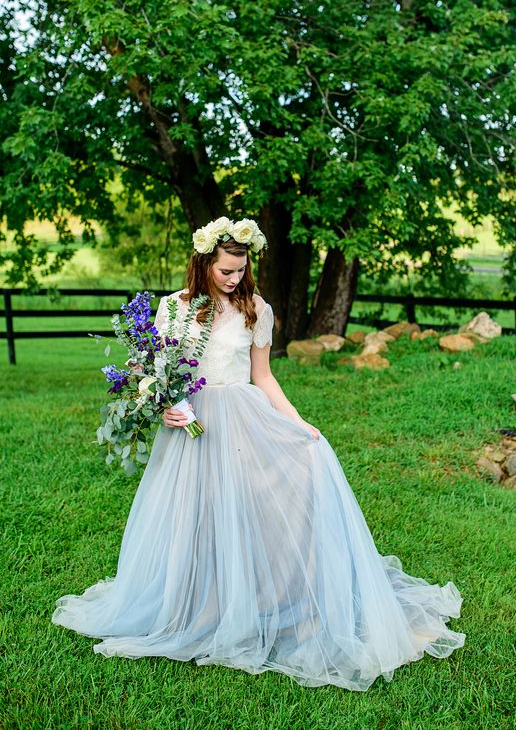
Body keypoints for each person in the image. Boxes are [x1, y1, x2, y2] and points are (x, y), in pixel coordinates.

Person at [51, 216, 465, 691]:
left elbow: (264, 378)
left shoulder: (255, 309)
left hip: (242, 418)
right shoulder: (172, 309)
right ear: (204, 263)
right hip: (191, 422)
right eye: (226, 270)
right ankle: (198, 606)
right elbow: (156, 370)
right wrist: (165, 404)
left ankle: (274, 602)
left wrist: (299, 423)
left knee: (264, 502)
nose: (234, 278)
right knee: (194, 515)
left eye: (240, 270)